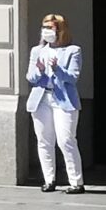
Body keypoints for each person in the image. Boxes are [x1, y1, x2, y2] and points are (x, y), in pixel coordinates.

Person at [25, 11, 85, 194]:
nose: (46, 31)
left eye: (50, 27)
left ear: (60, 30)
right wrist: (40, 71)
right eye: (44, 27)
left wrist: (57, 69)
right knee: (44, 141)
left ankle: (76, 182)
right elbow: (30, 77)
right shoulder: (38, 51)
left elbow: (73, 78)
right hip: (42, 99)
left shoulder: (73, 50)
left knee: (66, 140)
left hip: (63, 100)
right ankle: (49, 180)